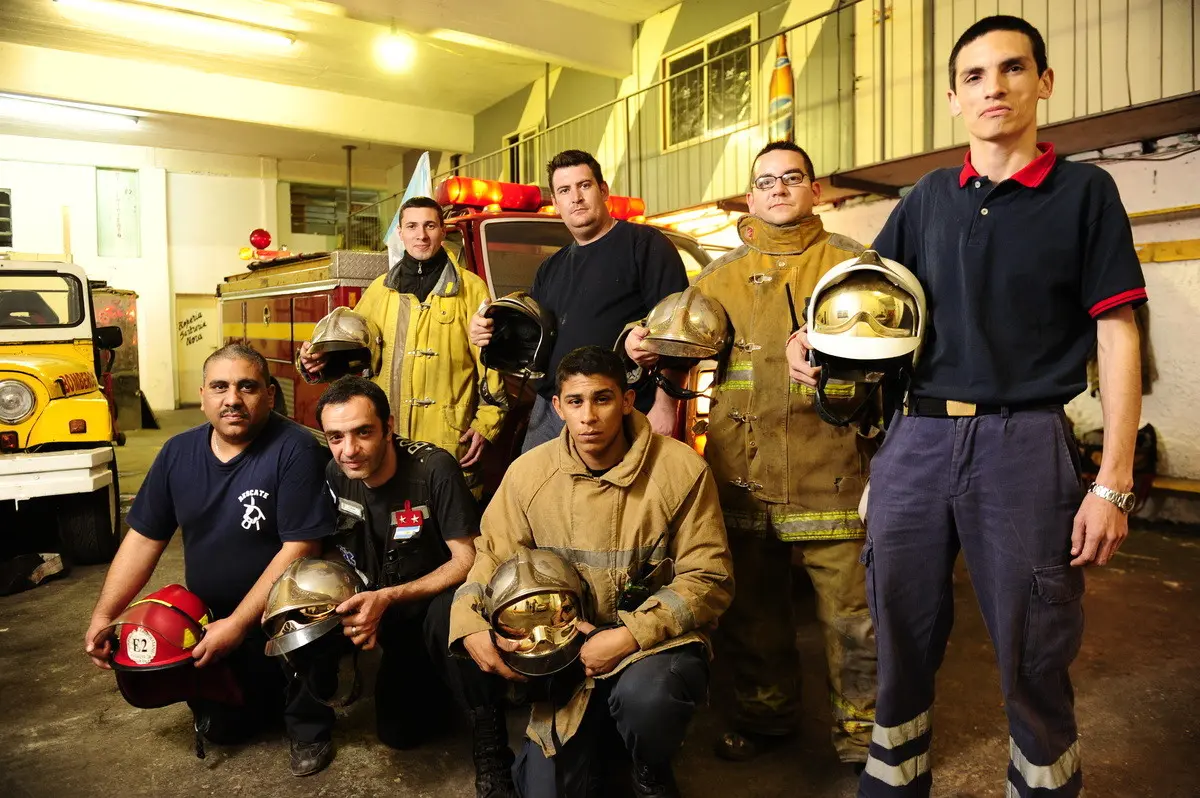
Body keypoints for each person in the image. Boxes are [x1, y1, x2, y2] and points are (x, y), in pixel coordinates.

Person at [788, 16, 1147, 797]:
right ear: (954, 99)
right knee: (901, 625)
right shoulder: (926, 199)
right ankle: (894, 773)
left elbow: (1117, 334)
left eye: (1013, 69)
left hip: (1023, 443)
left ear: (1043, 82)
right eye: (975, 77)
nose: (995, 88)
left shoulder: (1085, 193)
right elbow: (869, 298)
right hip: (916, 439)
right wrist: (809, 338)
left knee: (1033, 640)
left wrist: (1112, 482)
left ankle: (1044, 781)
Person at [626, 141, 877, 769]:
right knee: (754, 617)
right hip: (741, 477)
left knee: (854, 620)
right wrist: (638, 345)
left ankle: (865, 738)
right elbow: (674, 356)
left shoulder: (854, 267)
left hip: (834, 474)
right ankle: (767, 718)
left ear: (815, 190)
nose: (779, 189)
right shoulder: (716, 278)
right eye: (766, 181)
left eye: (792, 178)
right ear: (752, 193)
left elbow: (890, 370)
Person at [449, 346, 734, 798]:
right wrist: (467, 621)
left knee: (649, 701)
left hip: (650, 648)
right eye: (576, 402)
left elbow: (709, 577)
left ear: (627, 400)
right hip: (564, 652)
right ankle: (593, 740)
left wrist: (631, 634)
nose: (589, 417)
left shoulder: (681, 470)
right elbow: (491, 555)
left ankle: (650, 766)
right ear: (558, 407)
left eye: (602, 399)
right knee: (543, 791)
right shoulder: (528, 474)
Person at [84, 343, 337, 776]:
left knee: (313, 593)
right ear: (202, 395)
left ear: (270, 395)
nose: (232, 399)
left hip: (281, 612)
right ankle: (256, 691)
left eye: (247, 387)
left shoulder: (295, 448)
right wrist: (104, 615)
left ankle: (310, 724)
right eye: (219, 387)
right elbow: (144, 539)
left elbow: (300, 549)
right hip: (211, 621)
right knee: (228, 730)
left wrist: (238, 626)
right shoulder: (177, 454)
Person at [315, 376, 517, 798]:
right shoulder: (336, 473)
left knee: (453, 617)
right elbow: (336, 550)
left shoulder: (433, 468)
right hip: (390, 619)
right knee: (399, 734)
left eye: (362, 432)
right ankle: (437, 687)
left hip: (435, 608)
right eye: (336, 437)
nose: (349, 450)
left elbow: (467, 560)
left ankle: (492, 747)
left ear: (389, 426)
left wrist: (389, 596)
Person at [468, 150, 689, 450]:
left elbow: (677, 335)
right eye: (564, 190)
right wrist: (488, 329)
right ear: (557, 204)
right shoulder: (551, 267)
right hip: (551, 408)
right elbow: (532, 335)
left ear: (603, 190)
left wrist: (665, 407)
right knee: (533, 491)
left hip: (616, 409)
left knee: (611, 495)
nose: (576, 197)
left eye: (584, 185)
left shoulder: (645, 246)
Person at [298, 196, 505, 496]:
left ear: (442, 230)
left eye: (429, 225)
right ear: (401, 232)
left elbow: (491, 362)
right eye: (412, 226)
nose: (421, 235)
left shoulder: (472, 289)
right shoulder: (379, 292)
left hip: (448, 436)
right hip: (386, 439)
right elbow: (354, 354)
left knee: (450, 520)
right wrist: (314, 362)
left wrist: (487, 423)